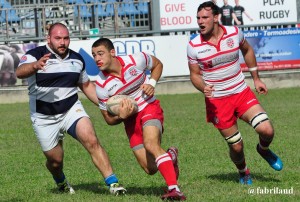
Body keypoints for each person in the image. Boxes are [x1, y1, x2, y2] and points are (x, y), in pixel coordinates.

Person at [15, 23, 126, 195]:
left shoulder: (77, 59)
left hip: (71, 109)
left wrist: (108, 105)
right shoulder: (34, 55)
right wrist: (35, 66)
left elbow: (86, 85)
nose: (62, 42)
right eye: (58, 38)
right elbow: (20, 72)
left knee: (91, 140)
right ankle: (61, 181)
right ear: (48, 39)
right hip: (44, 116)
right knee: (55, 161)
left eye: (66, 38)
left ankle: (113, 184)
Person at [187, 1, 283, 185]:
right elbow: (194, 75)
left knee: (267, 130)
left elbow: (247, 50)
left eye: (205, 17)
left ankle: (263, 150)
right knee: (237, 146)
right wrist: (203, 86)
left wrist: (256, 78)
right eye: (198, 18)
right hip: (217, 101)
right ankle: (243, 172)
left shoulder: (234, 32)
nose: (200, 21)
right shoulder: (193, 46)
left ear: (216, 18)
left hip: (241, 92)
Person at [91, 38, 186, 201]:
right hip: (130, 121)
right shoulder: (100, 85)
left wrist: (152, 83)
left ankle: (174, 189)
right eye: (93, 55)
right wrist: (121, 116)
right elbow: (108, 119)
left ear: (112, 53)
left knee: (151, 144)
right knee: (150, 169)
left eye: (100, 53)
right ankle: (170, 157)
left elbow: (158, 64)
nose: (97, 59)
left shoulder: (135, 59)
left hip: (150, 107)